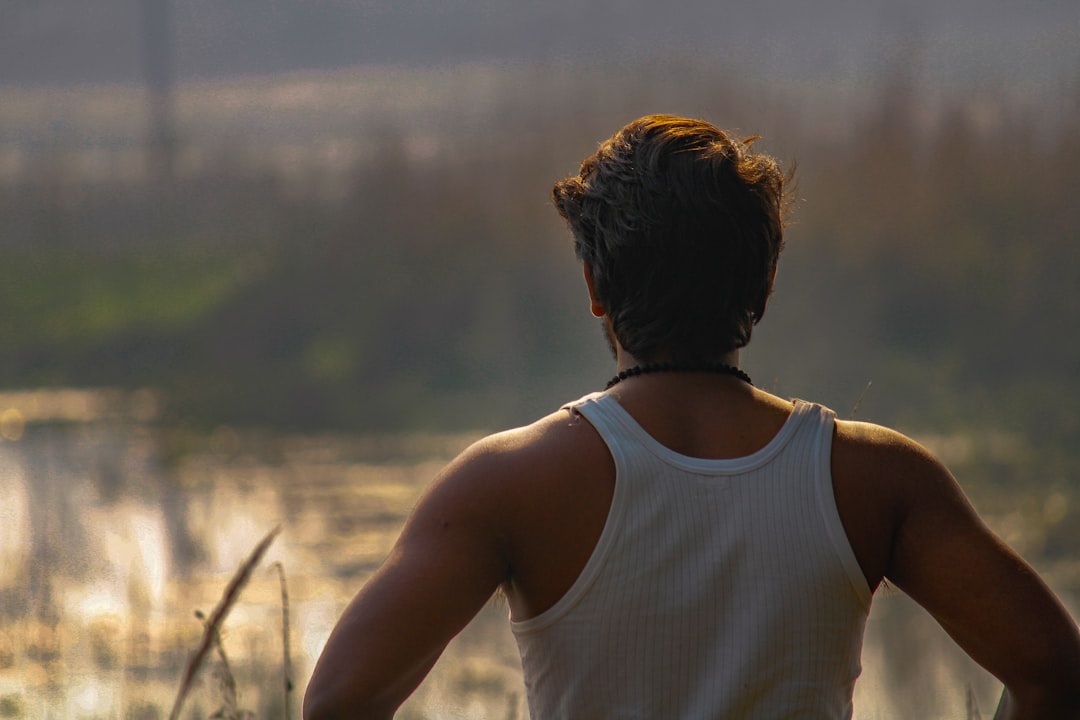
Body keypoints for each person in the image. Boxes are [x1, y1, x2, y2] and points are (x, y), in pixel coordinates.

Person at [303, 115, 1080, 719]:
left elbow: (341, 701)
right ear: (765, 283)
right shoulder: (877, 479)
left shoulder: (508, 485)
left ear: (594, 289)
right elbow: (1055, 675)